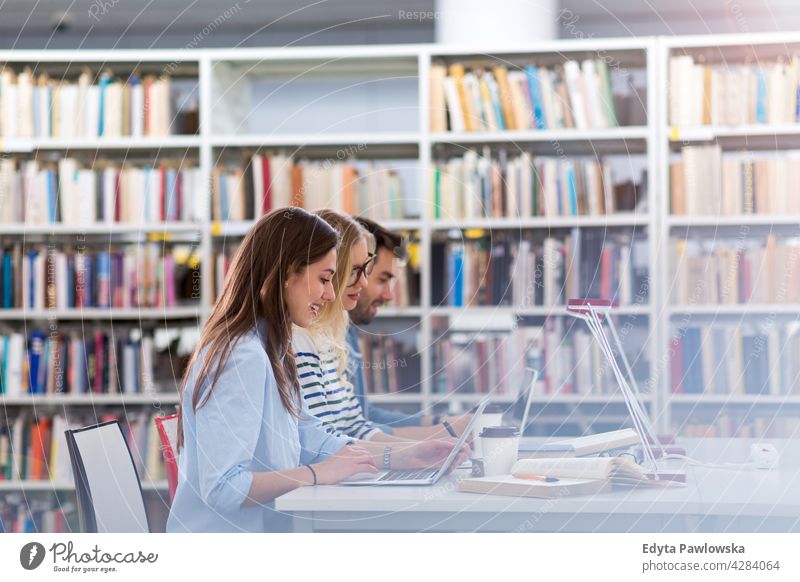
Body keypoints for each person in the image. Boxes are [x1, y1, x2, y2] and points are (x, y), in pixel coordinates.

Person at [293, 210, 470, 463]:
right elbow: (320, 443)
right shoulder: (298, 341)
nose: (364, 284)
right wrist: (405, 452)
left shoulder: (331, 338)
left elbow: (355, 424)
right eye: (358, 271)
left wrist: (422, 447)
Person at [349, 217, 472, 439]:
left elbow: (362, 415)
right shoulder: (320, 339)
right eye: (382, 280)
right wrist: (437, 433)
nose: (388, 295)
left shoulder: (347, 332)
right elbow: (347, 430)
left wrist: (437, 422)